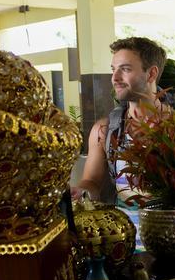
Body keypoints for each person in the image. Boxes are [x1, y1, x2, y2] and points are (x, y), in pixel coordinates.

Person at [71, 37, 167, 205]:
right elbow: (92, 183)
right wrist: (82, 192)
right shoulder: (104, 130)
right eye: (113, 69)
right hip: (125, 230)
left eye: (125, 69)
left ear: (151, 73)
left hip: (172, 229)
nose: (114, 78)